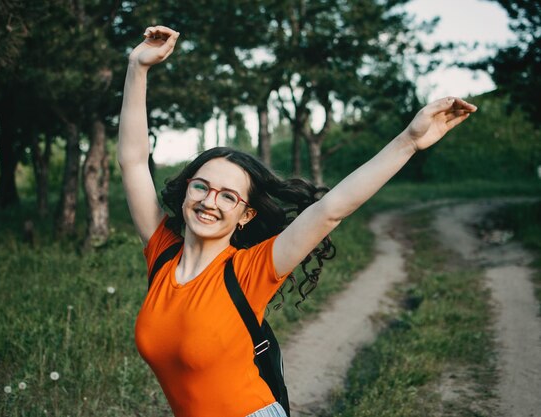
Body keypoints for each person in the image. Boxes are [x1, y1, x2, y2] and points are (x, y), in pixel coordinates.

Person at [117, 25, 477, 417]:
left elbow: (331, 209)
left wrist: (408, 141)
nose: (210, 202)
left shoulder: (250, 270)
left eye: (228, 196)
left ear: (246, 214)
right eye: (201, 187)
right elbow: (134, 161)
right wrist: (138, 67)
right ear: (187, 189)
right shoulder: (161, 254)